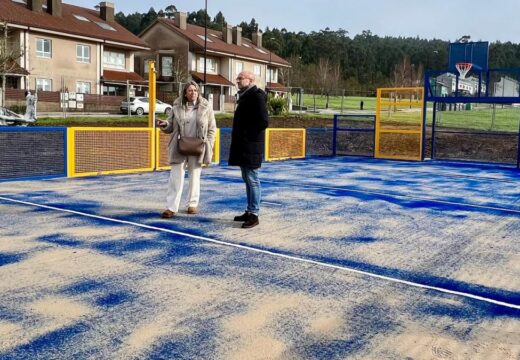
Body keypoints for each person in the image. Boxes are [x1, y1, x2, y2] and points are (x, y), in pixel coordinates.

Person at [157, 81, 216, 218]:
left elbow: (212, 128)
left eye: (195, 90)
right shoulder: (176, 106)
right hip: (179, 145)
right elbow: (171, 125)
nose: (193, 93)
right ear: (185, 93)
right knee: (175, 178)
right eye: (190, 90)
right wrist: (164, 124)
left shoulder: (206, 106)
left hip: (198, 146)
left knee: (195, 176)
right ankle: (171, 207)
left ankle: (192, 204)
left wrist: (209, 144)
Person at [229, 71, 269, 229]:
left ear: (250, 80)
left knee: (252, 178)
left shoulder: (256, 96)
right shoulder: (245, 96)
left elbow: (263, 121)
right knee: (247, 178)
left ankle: (254, 214)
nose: (237, 80)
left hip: (251, 145)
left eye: (240, 78)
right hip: (244, 146)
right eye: (237, 78)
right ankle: (250, 210)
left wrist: (248, 136)